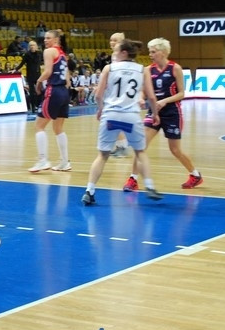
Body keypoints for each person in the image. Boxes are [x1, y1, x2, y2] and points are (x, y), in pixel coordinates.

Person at [82, 39, 163, 205]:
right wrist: (155, 114)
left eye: (116, 50)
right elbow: (152, 97)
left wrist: (100, 109)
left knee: (102, 155)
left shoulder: (109, 68)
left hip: (111, 115)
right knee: (140, 152)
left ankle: (89, 191)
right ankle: (149, 186)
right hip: (131, 117)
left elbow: (98, 94)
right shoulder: (142, 70)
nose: (113, 53)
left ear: (124, 53)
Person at [123, 38, 204, 192]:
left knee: (175, 150)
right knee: (140, 145)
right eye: (150, 52)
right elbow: (143, 90)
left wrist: (165, 101)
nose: (150, 55)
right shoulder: (147, 70)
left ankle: (195, 175)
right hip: (154, 111)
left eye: (153, 52)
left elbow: (181, 93)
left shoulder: (175, 68)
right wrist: (141, 98)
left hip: (172, 112)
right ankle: (133, 179)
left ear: (163, 52)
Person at [28, 29, 71, 173]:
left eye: (48, 38)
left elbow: (47, 72)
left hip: (54, 90)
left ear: (56, 40)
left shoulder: (49, 51)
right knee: (58, 128)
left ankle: (43, 160)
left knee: (39, 126)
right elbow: (67, 78)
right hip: (64, 92)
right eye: (44, 38)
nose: (45, 40)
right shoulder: (63, 54)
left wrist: (38, 82)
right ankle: (65, 162)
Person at [14, 40, 43, 111]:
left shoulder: (40, 54)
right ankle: (33, 107)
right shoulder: (27, 54)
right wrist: (15, 69)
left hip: (38, 75)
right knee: (32, 92)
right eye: (30, 45)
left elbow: (43, 61)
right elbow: (22, 63)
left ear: (36, 46)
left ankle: (40, 105)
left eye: (33, 45)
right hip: (30, 75)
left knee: (39, 91)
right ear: (29, 47)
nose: (32, 47)